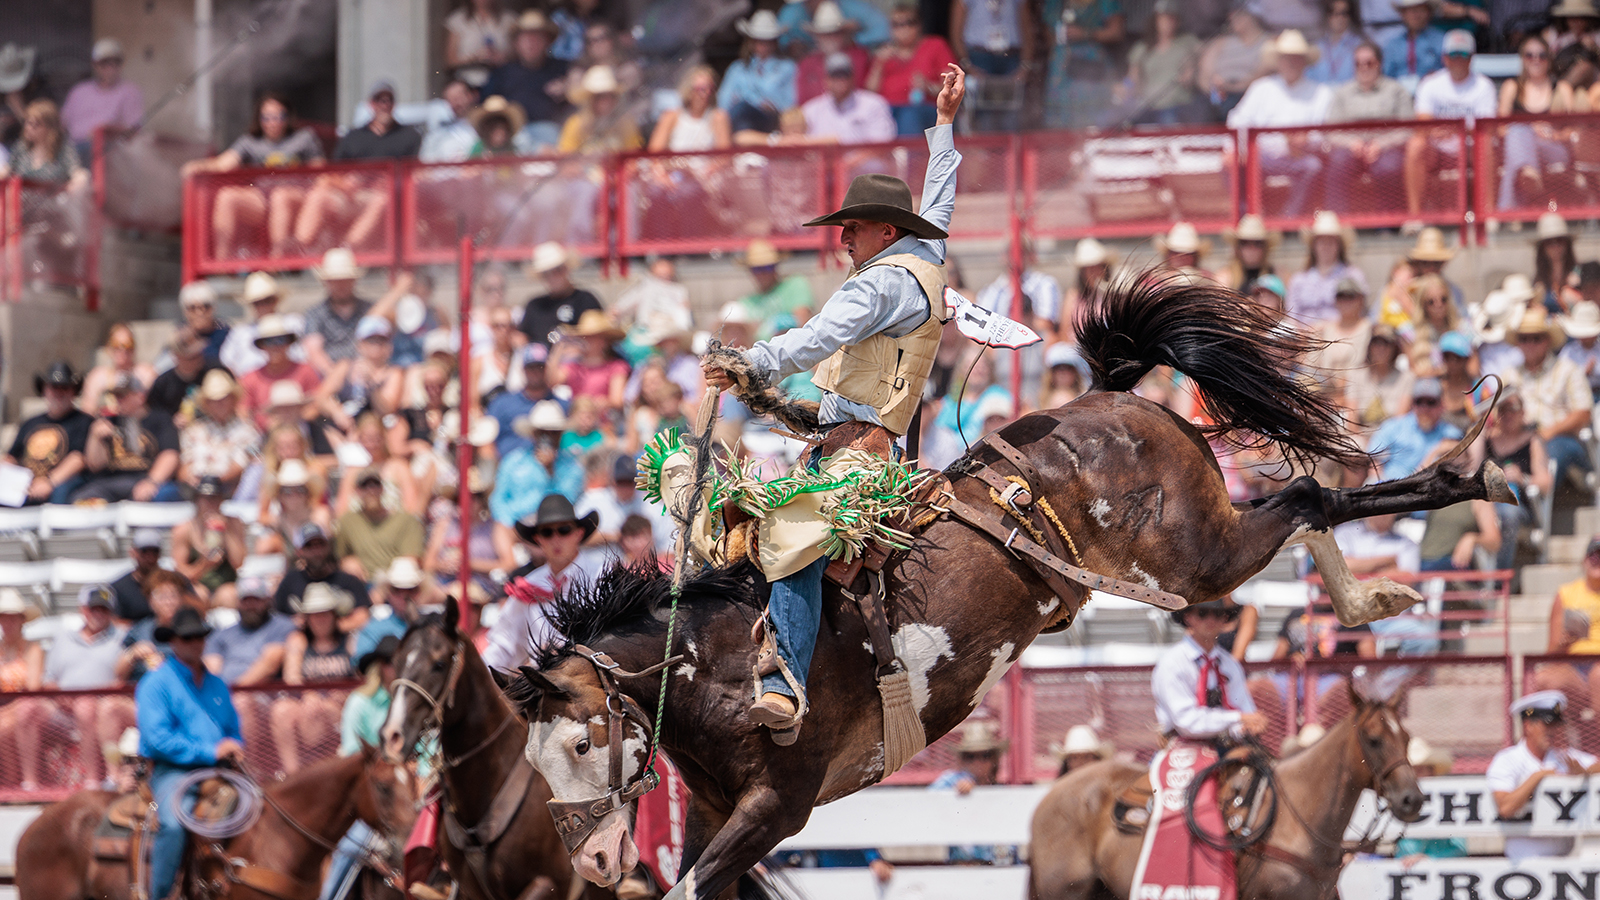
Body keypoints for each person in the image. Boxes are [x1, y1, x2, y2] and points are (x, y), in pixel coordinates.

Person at [700, 65, 965, 740]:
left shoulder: (875, 288)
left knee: (789, 536)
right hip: (857, 439)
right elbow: (938, 209)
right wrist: (943, 126)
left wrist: (746, 361)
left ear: (882, 231)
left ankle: (786, 679)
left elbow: (816, 339)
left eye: (853, 228)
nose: (843, 239)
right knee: (745, 523)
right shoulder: (922, 258)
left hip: (859, 454)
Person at [137, 605, 245, 900]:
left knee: (260, 809)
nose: (194, 643)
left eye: (198, 637)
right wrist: (211, 751)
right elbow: (158, 739)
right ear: (173, 641)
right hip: (173, 771)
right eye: (187, 638)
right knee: (173, 824)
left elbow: (233, 730)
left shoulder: (217, 685)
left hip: (221, 768)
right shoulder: (155, 684)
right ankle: (159, 895)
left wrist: (235, 746)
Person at [180, 93, 324, 259]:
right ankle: (222, 262)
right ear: (259, 119)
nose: (273, 122)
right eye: (267, 117)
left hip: (296, 199)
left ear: (288, 117)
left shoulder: (304, 138)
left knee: (280, 196)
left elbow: (319, 171)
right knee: (227, 197)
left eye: (279, 116)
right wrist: (197, 166)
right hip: (262, 200)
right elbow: (224, 164)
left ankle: (277, 261)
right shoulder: (250, 142)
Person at [483, 495, 607, 669]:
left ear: (579, 533)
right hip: (543, 685)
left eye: (564, 530)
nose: (555, 539)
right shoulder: (530, 585)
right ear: (538, 539)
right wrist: (477, 673)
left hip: (591, 679)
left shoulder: (601, 576)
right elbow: (504, 645)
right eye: (547, 532)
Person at [1227, 31, 1331, 219]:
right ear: (1278, 61)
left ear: (1304, 61)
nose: (1290, 63)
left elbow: (1325, 133)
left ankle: (1288, 220)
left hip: (1299, 158)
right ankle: (1249, 218)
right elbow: (1237, 120)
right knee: (1230, 161)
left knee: (1313, 166)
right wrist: (1240, 150)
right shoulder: (1261, 88)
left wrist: (1307, 141)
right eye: (1286, 58)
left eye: (1295, 58)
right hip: (1262, 157)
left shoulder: (1321, 93)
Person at [1487, 692, 1600, 862]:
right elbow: (1506, 808)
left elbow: (1595, 764)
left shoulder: (1562, 756)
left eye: (1555, 724)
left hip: (1564, 861)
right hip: (1524, 861)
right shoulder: (1508, 759)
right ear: (1528, 726)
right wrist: (1538, 777)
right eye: (1546, 724)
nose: (1552, 730)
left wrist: (1585, 772)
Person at [1404, 31, 1495, 230]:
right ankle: (1415, 217)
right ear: (1445, 57)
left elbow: (1483, 127)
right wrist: (1444, 129)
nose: (1458, 60)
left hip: (1470, 147)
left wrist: (1451, 128)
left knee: (1486, 143)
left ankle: (1488, 213)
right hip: (1438, 149)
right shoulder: (1431, 84)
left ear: (1472, 58)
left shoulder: (1484, 85)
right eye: (1454, 55)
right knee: (1415, 145)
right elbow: (1422, 121)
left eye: (1464, 55)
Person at [44, 586, 130, 790]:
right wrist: (57, 694)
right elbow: (48, 679)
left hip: (102, 705)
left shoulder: (122, 638)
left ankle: (97, 780)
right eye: (94, 609)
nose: (99, 614)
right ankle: (27, 784)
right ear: (83, 610)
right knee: (27, 711)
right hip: (61, 708)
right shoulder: (63, 638)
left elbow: (124, 677)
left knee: (86, 706)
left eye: (104, 610)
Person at [1153, 598, 1265, 743]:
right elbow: (1187, 722)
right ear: (1188, 617)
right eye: (1202, 613)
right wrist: (1239, 718)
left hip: (1229, 743)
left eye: (1218, 614)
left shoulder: (1229, 664)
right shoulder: (1172, 663)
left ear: (1225, 619)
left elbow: (1245, 708)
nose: (1211, 620)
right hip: (1182, 744)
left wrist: (1250, 725)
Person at [1508, 306, 1593, 492]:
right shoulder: (1509, 375)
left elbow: (1583, 414)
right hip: (1521, 442)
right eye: (1524, 338)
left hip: (1560, 439)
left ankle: (1538, 500)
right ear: (1518, 343)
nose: (1529, 344)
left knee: (1552, 452)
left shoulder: (1568, 370)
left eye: (1536, 338)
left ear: (1547, 341)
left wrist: (1546, 433)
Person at [1324, 42, 1415, 217]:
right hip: (1351, 149)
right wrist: (1352, 143)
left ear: (1379, 64)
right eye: (1358, 64)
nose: (1364, 68)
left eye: (1369, 63)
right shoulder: (1342, 93)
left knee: (1389, 167)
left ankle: (1387, 225)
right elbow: (1331, 130)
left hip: (1387, 148)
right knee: (1337, 163)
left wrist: (1380, 144)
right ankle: (1338, 223)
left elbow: (1408, 128)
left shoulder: (1397, 91)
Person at [74, 374, 181, 503]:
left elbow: (170, 455)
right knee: (81, 499)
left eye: (123, 396)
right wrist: (95, 438)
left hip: (142, 479)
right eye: (116, 396)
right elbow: (95, 466)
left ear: (140, 397)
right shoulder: (108, 421)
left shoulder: (160, 419)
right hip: (108, 482)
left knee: (158, 495)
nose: (118, 400)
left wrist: (151, 482)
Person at [480, 10, 568, 153]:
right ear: (516, 43)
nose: (531, 43)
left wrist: (568, 88)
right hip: (513, 139)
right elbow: (484, 107)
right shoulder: (502, 73)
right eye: (526, 38)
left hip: (551, 134)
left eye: (537, 38)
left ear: (547, 42)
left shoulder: (562, 69)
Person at [5, 361, 92, 504]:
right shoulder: (30, 423)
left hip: (62, 481)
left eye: (64, 387)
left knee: (62, 491)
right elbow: (12, 457)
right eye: (53, 387)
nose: (58, 392)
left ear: (73, 391)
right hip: (26, 482)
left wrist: (49, 482)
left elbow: (78, 459)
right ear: (44, 389)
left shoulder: (83, 421)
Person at [490, 400, 585, 528]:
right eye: (543, 432)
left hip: (553, 526)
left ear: (561, 434)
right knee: (500, 531)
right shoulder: (514, 461)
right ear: (534, 434)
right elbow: (498, 499)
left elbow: (568, 500)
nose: (548, 437)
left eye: (554, 432)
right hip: (517, 524)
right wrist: (510, 523)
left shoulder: (571, 466)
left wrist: (549, 472)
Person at [868, 3, 957, 135]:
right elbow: (870, 92)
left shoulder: (935, 45)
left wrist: (929, 87)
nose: (904, 28)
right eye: (897, 24)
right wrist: (879, 65)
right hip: (888, 110)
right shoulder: (884, 54)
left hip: (925, 108)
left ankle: (909, 155)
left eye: (909, 23)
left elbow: (953, 87)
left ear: (919, 25)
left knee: (909, 115)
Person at [1041, 0, 1125, 129]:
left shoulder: (1105, 2)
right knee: (1060, 123)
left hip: (1091, 64)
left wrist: (1085, 33)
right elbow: (1048, 35)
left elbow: (1116, 32)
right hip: (1061, 67)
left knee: (1093, 121)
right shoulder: (1055, 3)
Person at [950, 0, 1032, 132]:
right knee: (984, 115)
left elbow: (1027, 28)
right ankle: (989, 152)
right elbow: (956, 32)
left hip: (1010, 57)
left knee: (1011, 115)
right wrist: (967, 65)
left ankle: (1009, 151)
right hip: (980, 57)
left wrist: (1025, 65)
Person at [273, 523, 373, 630]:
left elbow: (363, 616)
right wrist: (294, 623)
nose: (316, 552)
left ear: (328, 546)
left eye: (320, 544)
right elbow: (275, 618)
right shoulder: (290, 582)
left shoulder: (348, 581)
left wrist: (329, 628)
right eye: (309, 546)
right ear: (299, 552)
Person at [335, 468, 427, 583]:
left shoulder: (406, 520)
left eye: (375, 485)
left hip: (399, 584)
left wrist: (384, 585)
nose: (371, 490)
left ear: (382, 489)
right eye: (365, 486)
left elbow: (411, 561)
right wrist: (346, 562)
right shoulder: (348, 521)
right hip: (364, 583)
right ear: (357, 491)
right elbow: (339, 555)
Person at [1122, 1, 1204, 126]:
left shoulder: (1188, 42)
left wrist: (1192, 69)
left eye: (1171, 18)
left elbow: (1206, 58)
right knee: (1123, 122)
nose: (1168, 23)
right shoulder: (1142, 48)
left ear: (1178, 20)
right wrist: (1125, 88)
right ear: (1155, 20)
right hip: (1147, 106)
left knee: (1168, 121)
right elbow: (1132, 78)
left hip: (1178, 104)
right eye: (1163, 18)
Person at [59, 38, 143, 157]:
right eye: (104, 63)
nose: (110, 67)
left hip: (109, 153)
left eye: (115, 62)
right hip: (73, 150)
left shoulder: (130, 91)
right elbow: (62, 125)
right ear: (95, 64)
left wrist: (106, 131)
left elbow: (133, 131)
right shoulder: (79, 91)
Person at [720, 10, 800, 136]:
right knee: (741, 111)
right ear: (751, 42)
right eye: (759, 40)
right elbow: (723, 102)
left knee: (743, 111)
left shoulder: (787, 68)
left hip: (770, 120)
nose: (763, 45)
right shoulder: (737, 69)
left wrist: (774, 105)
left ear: (775, 42)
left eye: (768, 40)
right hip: (739, 118)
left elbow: (792, 102)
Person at [179, 369, 260, 492]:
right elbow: (184, 464)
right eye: (213, 400)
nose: (219, 404)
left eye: (224, 398)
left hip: (228, 489)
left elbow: (241, 465)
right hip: (194, 489)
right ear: (206, 404)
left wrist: (212, 483)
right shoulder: (193, 430)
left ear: (233, 400)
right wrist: (190, 478)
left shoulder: (250, 432)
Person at [205, 576, 295, 686]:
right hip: (224, 692)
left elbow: (270, 664)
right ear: (238, 602)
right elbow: (212, 667)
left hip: (261, 692)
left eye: (256, 600)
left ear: (267, 600)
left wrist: (237, 689)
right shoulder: (221, 634)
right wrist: (219, 692)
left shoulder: (282, 626)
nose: (250, 606)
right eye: (245, 600)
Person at [1369, 378, 1463, 479]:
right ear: (1413, 404)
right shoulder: (1393, 426)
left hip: (1425, 489)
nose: (1424, 408)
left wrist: (1437, 452)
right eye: (1419, 402)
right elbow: (1375, 465)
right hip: (1387, 486)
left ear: (1442, 405)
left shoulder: (1451, 433)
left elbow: (1460, 468)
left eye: (1430, 402)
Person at [1285, 211, 1366, 328]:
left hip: (1341, 336)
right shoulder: (1299, 280)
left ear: (1339, 245)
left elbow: (1359, 312)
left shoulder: (1353, 276)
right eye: (1321, 241)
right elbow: (1291, 316)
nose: (1326, 246)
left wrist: (1329, 330)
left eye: (1331, 241)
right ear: (1313, 245)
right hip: (1303, 338)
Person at [301, 248, 373, 375]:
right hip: (327, 374)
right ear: (326, 282)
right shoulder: (315, 314)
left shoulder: (368, 309)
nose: (341, 285)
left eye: (345, 280)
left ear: (353, 281)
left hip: (364, 371)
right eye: (335, 281)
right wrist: (335, 376)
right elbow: (314, 352)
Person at [518, 242, 602, 348]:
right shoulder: (535, 306)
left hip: (575, 362)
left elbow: (598, 336)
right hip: (539, 362)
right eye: (546, 274)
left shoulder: (585, 300)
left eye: (557, 270)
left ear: (566, 269)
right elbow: (522, 337)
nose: (552, 277)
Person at [800, 53, 895, 145]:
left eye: (844, 75)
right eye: (835, 76)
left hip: (865, 161)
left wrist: (846, 161)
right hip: (825, 161)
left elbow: (881, 145)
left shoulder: (874, 104)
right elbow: (801, 144)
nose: (840, 80)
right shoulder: (810, 110)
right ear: (826, 79)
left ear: (853, 77)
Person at [1197, 7, 1271, 119]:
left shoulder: (1268, 42)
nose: (1233, 18)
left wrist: (1230, 87)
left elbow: (1261, 75)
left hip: (1248, 93)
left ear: (1252, 17)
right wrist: (1213, 89)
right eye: (1231, 16)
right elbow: (1204, 74)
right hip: (1218, 94)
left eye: (1239, 14)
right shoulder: (1220, 43)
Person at [796, 2, 872, 105]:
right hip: (814, 117)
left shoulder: (860, 57)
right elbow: (802, 100)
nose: (830, 38)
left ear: (844, 35)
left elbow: (865, 91)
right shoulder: (807, 64)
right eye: (824, 34)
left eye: (835, 33)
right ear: (817, 36)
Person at [81, 323, 159, 418]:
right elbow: (87, 411)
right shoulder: (98, 376)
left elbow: (157, 407)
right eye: (117, 345)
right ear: (109, 348)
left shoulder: (145, 372)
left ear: (134, 348)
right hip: (107, 424)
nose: (123, 350)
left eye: (128, 345)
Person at [149, 328, 222, 426]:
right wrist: (172, 420)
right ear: (177, 357)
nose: (198, 359)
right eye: (192, 357)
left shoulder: (214, 370)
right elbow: (154, 414)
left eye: (199, 353)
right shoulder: (162, 384)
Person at [445, 0, 515, 87]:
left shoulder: (509, 20)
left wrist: (501, 57)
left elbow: (518, 55)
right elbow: (450, 61)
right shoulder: (457, 20)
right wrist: (473, 58)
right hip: (467, 82)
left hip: (502, 80)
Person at [1383, 0, 1446, 90]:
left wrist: (1436, 76)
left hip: (1433, 92)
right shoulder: (1393, 45)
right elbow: (1386, 77)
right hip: (1399, 94)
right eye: (1411, 11)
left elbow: (1451, 72)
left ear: (1428, 12)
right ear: (1403, 14)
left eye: (1420, 10)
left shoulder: (1441, 40)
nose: (1416, 15)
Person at [930, 721, 1008, 794]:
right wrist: (957, 789)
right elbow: (929, 799)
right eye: (970, 757)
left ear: (994, 760)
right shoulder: (950, 781)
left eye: (985, 756)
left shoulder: (999, 790)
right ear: (961, 760)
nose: (977, 762)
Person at [1308, 0, 1365, 84]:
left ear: (1350, 16)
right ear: (1328, 16)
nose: (1339, 18)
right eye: (1334, 13)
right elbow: (1308, 77)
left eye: (1344, 13)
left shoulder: (1360, 46)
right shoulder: (1317, 47)